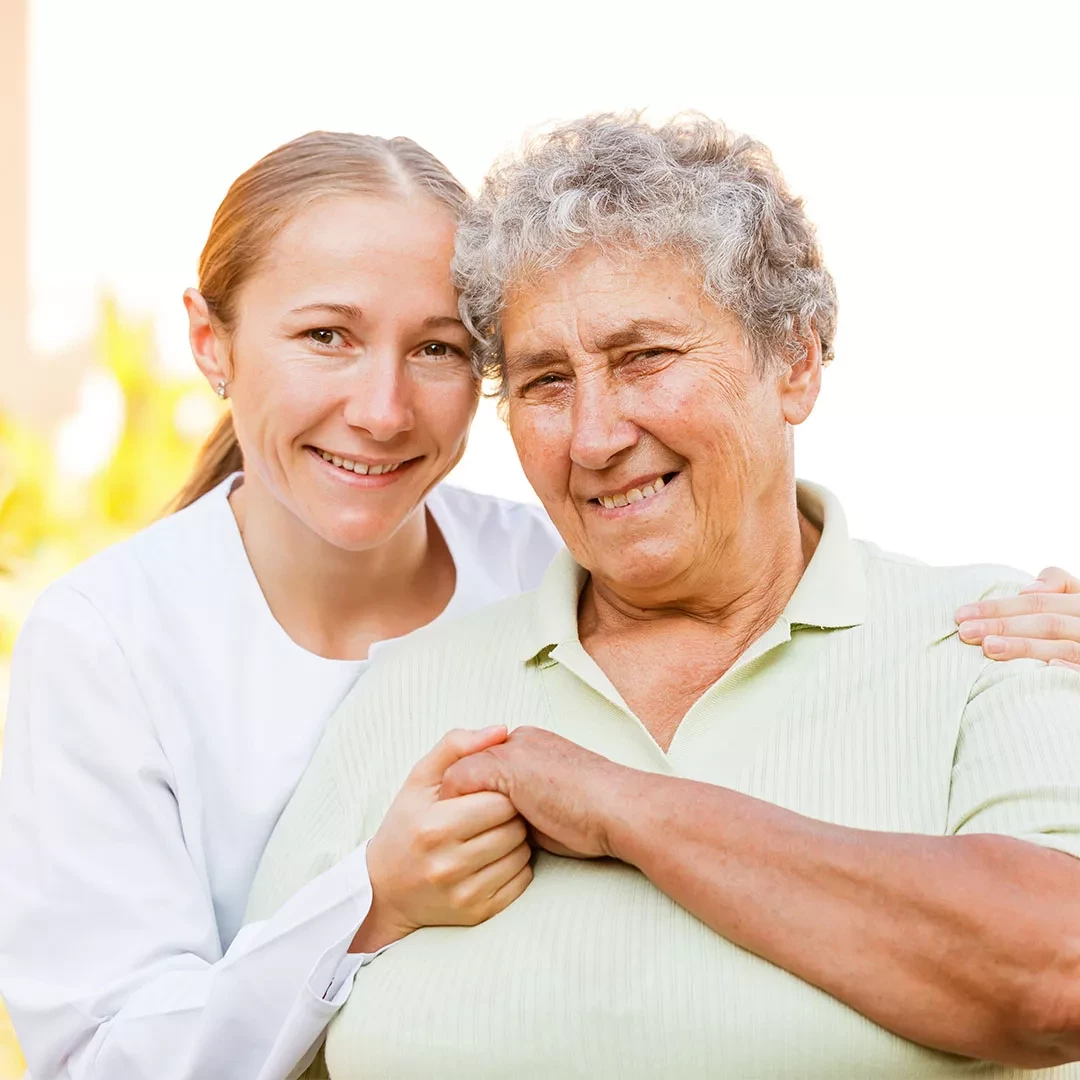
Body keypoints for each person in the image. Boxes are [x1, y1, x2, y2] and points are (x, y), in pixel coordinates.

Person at [246, 115, 1080, 1079]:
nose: (594, 436)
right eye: (544, 381)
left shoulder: (996, 643)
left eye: (644, 357)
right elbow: (257, 1034)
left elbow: (1052, 976)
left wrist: (617, 806)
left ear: (796, 361)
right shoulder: (411, 695)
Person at [0, 132, 560, 1080]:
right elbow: (105, 1058)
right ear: (210, 342)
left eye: (437, 348)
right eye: (325, 337)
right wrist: (370, 906)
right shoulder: (104, 644)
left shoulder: (547, 576)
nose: (382, 411)